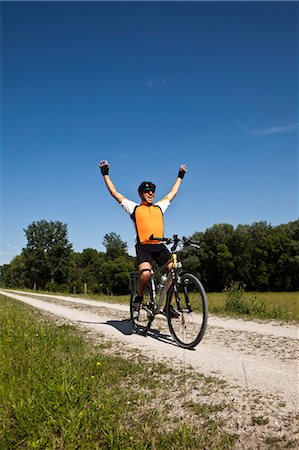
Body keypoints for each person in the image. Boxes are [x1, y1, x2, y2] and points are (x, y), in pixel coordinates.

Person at [99, 159, 187, 314]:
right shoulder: (134, 208)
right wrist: (105, 174)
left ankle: (167, 305)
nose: (151, 193)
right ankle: (139, 297)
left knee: (175, 271)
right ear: (141, 194)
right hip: (143, 246)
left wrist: (180, 176)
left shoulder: (160, 207)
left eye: (152, 190)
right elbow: (115, 193)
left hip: (159, 246)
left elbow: (172, 193)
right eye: (147, 191)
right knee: (146, 273)